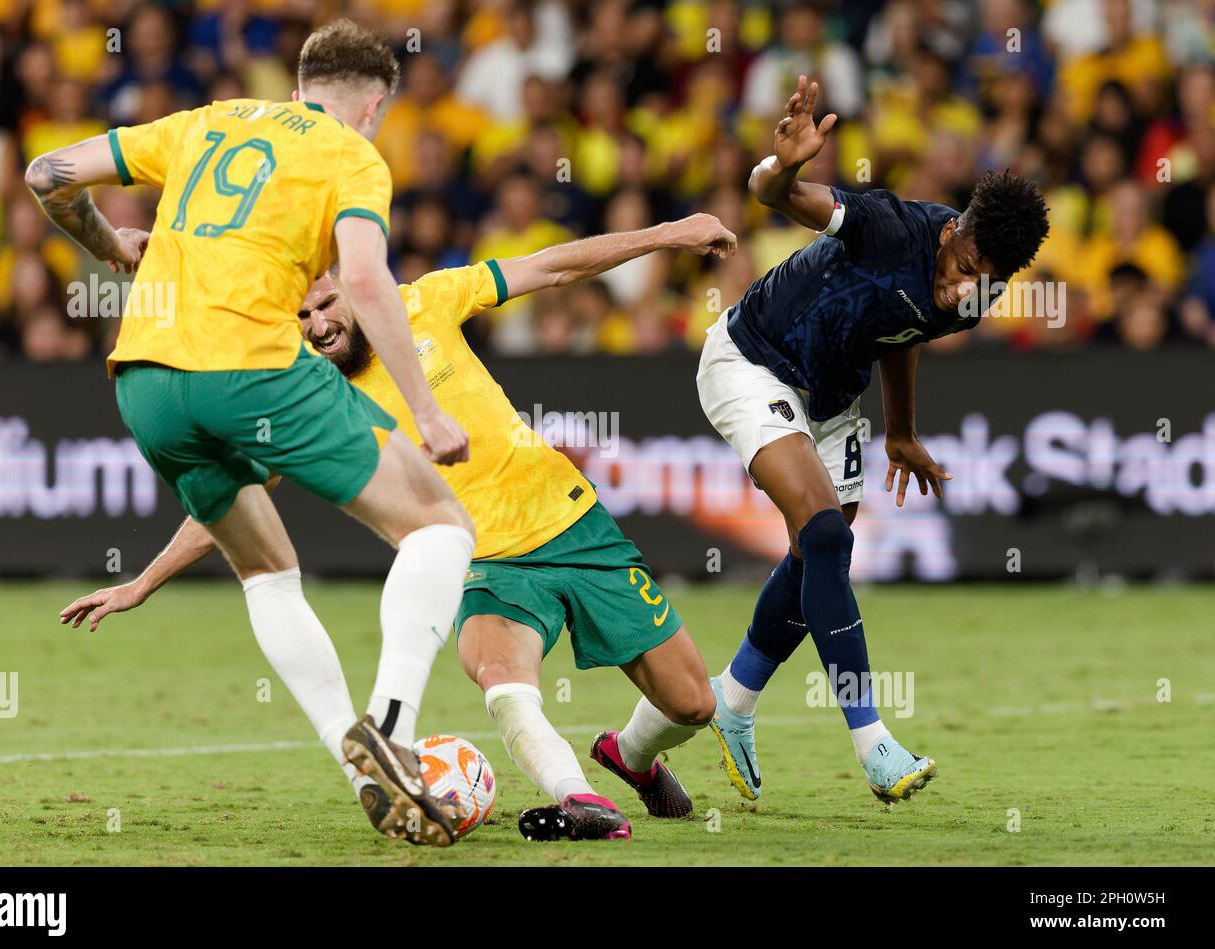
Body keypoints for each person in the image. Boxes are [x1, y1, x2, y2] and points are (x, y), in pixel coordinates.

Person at [62, 213, 740, 841]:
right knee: (503, 679)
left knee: (693, 704)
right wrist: (142, 583)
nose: (318, 324)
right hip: (482, 566)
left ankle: (628, 755)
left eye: (326, 305)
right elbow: (233, 502)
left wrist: (669, 232)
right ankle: (579, 798)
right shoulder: (303, 396)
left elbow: (550, 268)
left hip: (574, 524)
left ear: (354, 290)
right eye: (300, 317)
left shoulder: (425, 301)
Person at [32, 19, 476, 847]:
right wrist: (427, 409)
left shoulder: (208, 119)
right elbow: (368, 278)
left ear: (299, 82)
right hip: (249, 368)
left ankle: (364, 777)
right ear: (374, 105)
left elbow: (45, 172)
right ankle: (389, 725)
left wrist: (109, 245)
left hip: (143, 383)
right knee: (442, 526)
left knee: (268, 571)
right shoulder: (352, 155)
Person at [699, 76, 1049, 803]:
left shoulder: (974, 294)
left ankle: (730, 700)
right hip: (752, 358)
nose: (964, 291)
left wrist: (901, 430)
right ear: (953, 233)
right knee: (828, 537)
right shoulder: (889, 226)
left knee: (813, 556)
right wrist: (786, 164)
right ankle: (873, 740)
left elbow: (906, 331)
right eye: (961, 270)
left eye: (984, 284)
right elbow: (772, 195)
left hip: (830, 401)